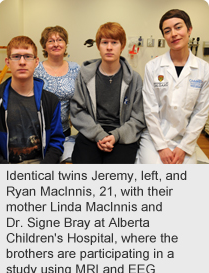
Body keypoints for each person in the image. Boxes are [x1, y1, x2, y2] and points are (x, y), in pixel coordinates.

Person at [139, 9, 209, 164]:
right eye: (167, 31)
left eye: (178, 27)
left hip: (185, 140)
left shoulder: (204, 69)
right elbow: (150, 109)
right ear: (164, 36)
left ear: (189, 29)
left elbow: (200, 113)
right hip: (154, 137)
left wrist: (184, 147)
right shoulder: (152, 67)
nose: (173, 34)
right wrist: (162, 147)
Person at [70, 22, 145, 164]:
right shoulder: (85, 76)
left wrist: (116, 135)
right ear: (98, 46)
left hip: (123, 133)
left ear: (122, 46)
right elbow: (77, 110)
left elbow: (138, 117)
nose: (109, 47)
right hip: (91, 131)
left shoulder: (134, 79)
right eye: (105, 42)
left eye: (114, 42)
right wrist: (99, 134)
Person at [0, 36, 64, 164]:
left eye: (28, 56)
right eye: (16, 56)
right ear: (7, 62)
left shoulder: (51, 101)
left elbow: (56, 142)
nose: (22, 62)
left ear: (36, 62)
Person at [34, 26, 80, 137]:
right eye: (50, 41)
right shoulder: (35, 69)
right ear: (44, 46)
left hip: (64, 130)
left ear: (65, 44)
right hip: (38, 130)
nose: (56, 44)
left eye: (60, 40)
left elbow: (80, 99)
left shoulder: (75, 69)